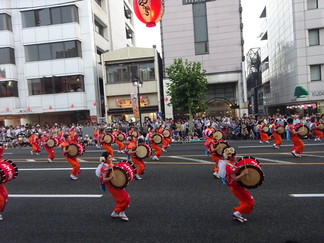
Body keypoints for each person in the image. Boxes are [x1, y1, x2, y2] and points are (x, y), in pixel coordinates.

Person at [223, 147, 255, 223]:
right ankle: (237, 213)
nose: (236, 157)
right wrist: (243, 173)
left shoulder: (230, 164)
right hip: (236, 187)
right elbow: (235, 179)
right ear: (231, 156)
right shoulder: (229, 166)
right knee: (250, 202)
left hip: (237, 186)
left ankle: (238, 213)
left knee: (245, 200)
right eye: (235, 155)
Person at [99, 151, 130, 221]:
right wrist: (110, 178)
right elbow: (104, 179)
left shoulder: (111, 164)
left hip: (116, 183)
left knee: (124, 197)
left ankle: (116, 212)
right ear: (105, 159)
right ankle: (121, 213)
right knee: (125, 198)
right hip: (111, 185)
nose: (111, 158)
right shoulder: (104, 167)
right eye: (109, 157)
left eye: (111, 157)